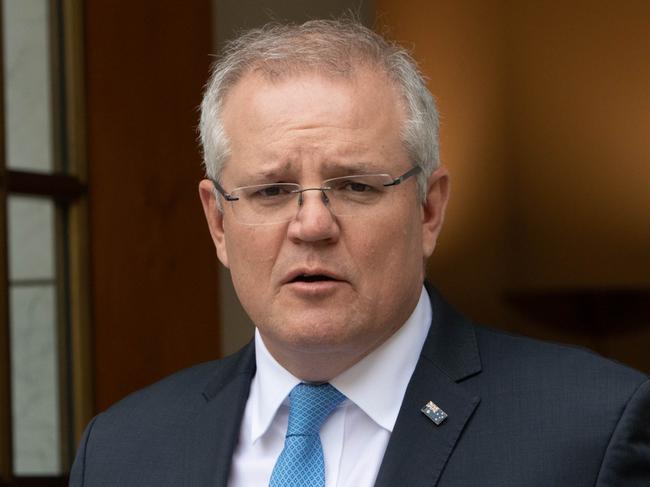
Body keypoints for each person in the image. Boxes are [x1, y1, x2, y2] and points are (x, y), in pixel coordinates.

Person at [70, 19, 649, 487]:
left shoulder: (591, 429)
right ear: (219, 222)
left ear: (429, 210)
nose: (313, 225)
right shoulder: (121, 453)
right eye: (272, 191)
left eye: (356, 185)